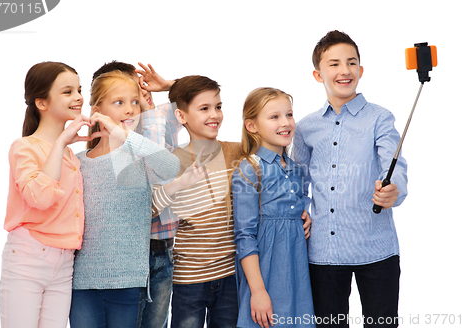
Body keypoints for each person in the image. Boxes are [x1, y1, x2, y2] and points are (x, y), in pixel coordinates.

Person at [293, 30, 408, 328]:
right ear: (318, 74)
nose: (344, 70)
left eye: (351, 62)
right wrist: (298, 210)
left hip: (376, 248)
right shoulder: (305, 127)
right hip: (324, 254)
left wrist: (393, 190)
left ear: (361, 70)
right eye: (334, 64)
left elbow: (395, 165)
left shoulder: (380, 118)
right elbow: (297, 181)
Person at [69, 70, 180, 328]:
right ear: (96, 109)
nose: (129, 110)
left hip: (129, 282)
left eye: (134, 102)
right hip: (83, 283)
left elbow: (171, 167)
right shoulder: (78, 162)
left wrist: (126, 137)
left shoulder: (139, 158)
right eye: (119, 103)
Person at [0, 61, 92, 328]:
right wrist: (61, 140)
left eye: (79, 89)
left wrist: (63, 144)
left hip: (64, 263)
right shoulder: (24, 147)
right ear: (42, 103)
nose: (78, 97)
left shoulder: (70, 154)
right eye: (67, 91)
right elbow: (39, 198)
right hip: (28, 258)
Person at [149, 75, 242, 328]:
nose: (215, 115)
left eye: (218, 107)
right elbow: (150, 209)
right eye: (204, 109)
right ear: (181, 116)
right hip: (189, 279)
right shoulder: (172, 160)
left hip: (231, 276)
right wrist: (178, 183)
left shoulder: (237, 151)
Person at [232, 87, 315, 328]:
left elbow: (295, 206)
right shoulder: (249, 169)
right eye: (274, 117)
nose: (285, 122)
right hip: (266, 270)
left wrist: (304, 215)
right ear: (252, 126)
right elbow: (244, 236)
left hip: (297, 268)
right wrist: (258, 291)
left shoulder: (296, 168)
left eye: (289, 115)